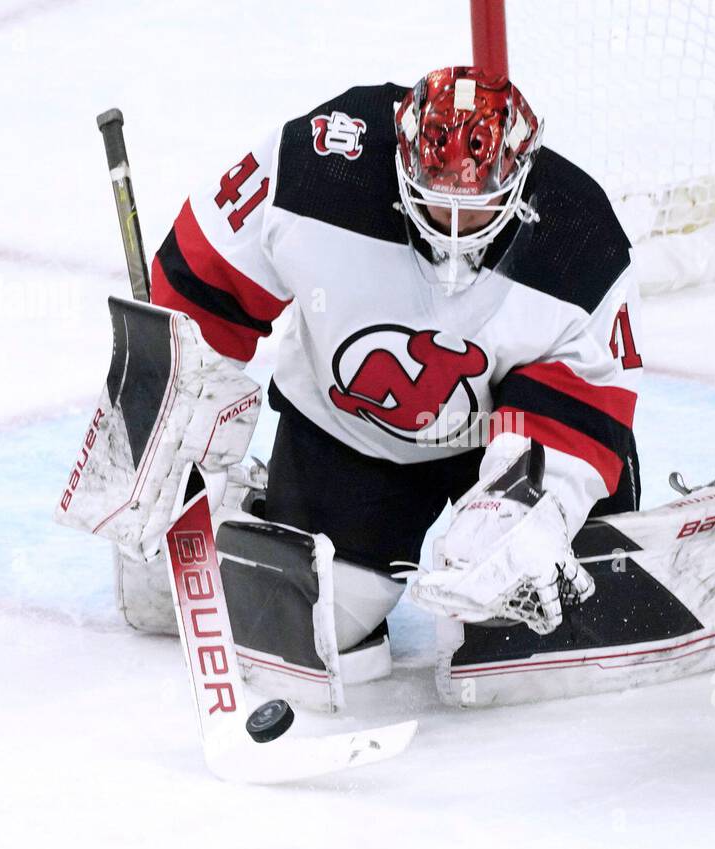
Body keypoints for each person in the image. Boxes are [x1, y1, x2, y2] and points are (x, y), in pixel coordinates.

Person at [146, 66, 641, 653]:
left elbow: (584, 402)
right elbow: (202, 276)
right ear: (401, 163)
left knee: (550, 599)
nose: (455, 231)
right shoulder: (320, 165)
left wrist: (530, 506)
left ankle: (541, 532)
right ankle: (260, 515)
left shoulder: (581, 238)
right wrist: (178, 411)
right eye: (436, 204)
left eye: (479, 208)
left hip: (500, 432)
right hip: (352, 436)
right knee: (312, 624)